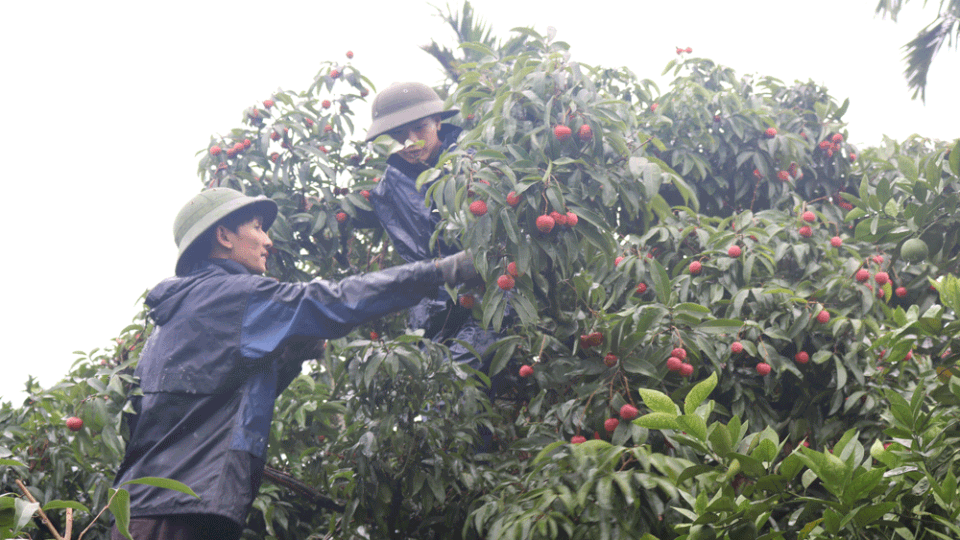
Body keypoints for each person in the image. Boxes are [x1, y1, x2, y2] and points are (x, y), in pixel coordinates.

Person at [111, 187, 476, 540]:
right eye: (257, 227)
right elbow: (333, 300)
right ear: (223, 236)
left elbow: (220, 399)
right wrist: (442, 271)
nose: (268, 241)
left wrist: (290, 355)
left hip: (155, 510)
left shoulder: (179, 314)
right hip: (175, 513)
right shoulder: (234, 296)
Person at [357, 82, 500, 374]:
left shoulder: (479, 158)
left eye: (419, 129)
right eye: (398, 134)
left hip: (496, 283)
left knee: (460, 373)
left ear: (437, 122)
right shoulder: (386, 190)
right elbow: (417, 258)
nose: (410, 142)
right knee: (431, 379)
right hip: (438, 296)